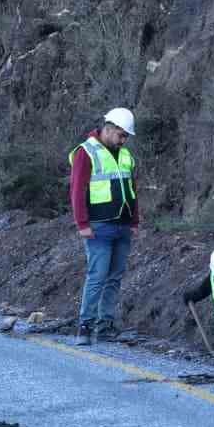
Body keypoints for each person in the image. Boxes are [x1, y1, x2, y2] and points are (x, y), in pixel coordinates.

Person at [69, 107, 140, 346]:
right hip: (98, 226)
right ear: (109, 129)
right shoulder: (86, 152)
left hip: (122, 225)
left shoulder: (125, 155)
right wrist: (82, 223)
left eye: (126, 137)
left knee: (114, 277)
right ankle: (85, 326)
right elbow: (77, 191)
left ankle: (105, 325)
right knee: (97, 276)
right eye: (121, 135)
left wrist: (135, 220)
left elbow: (132, 189)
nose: (124, 140)